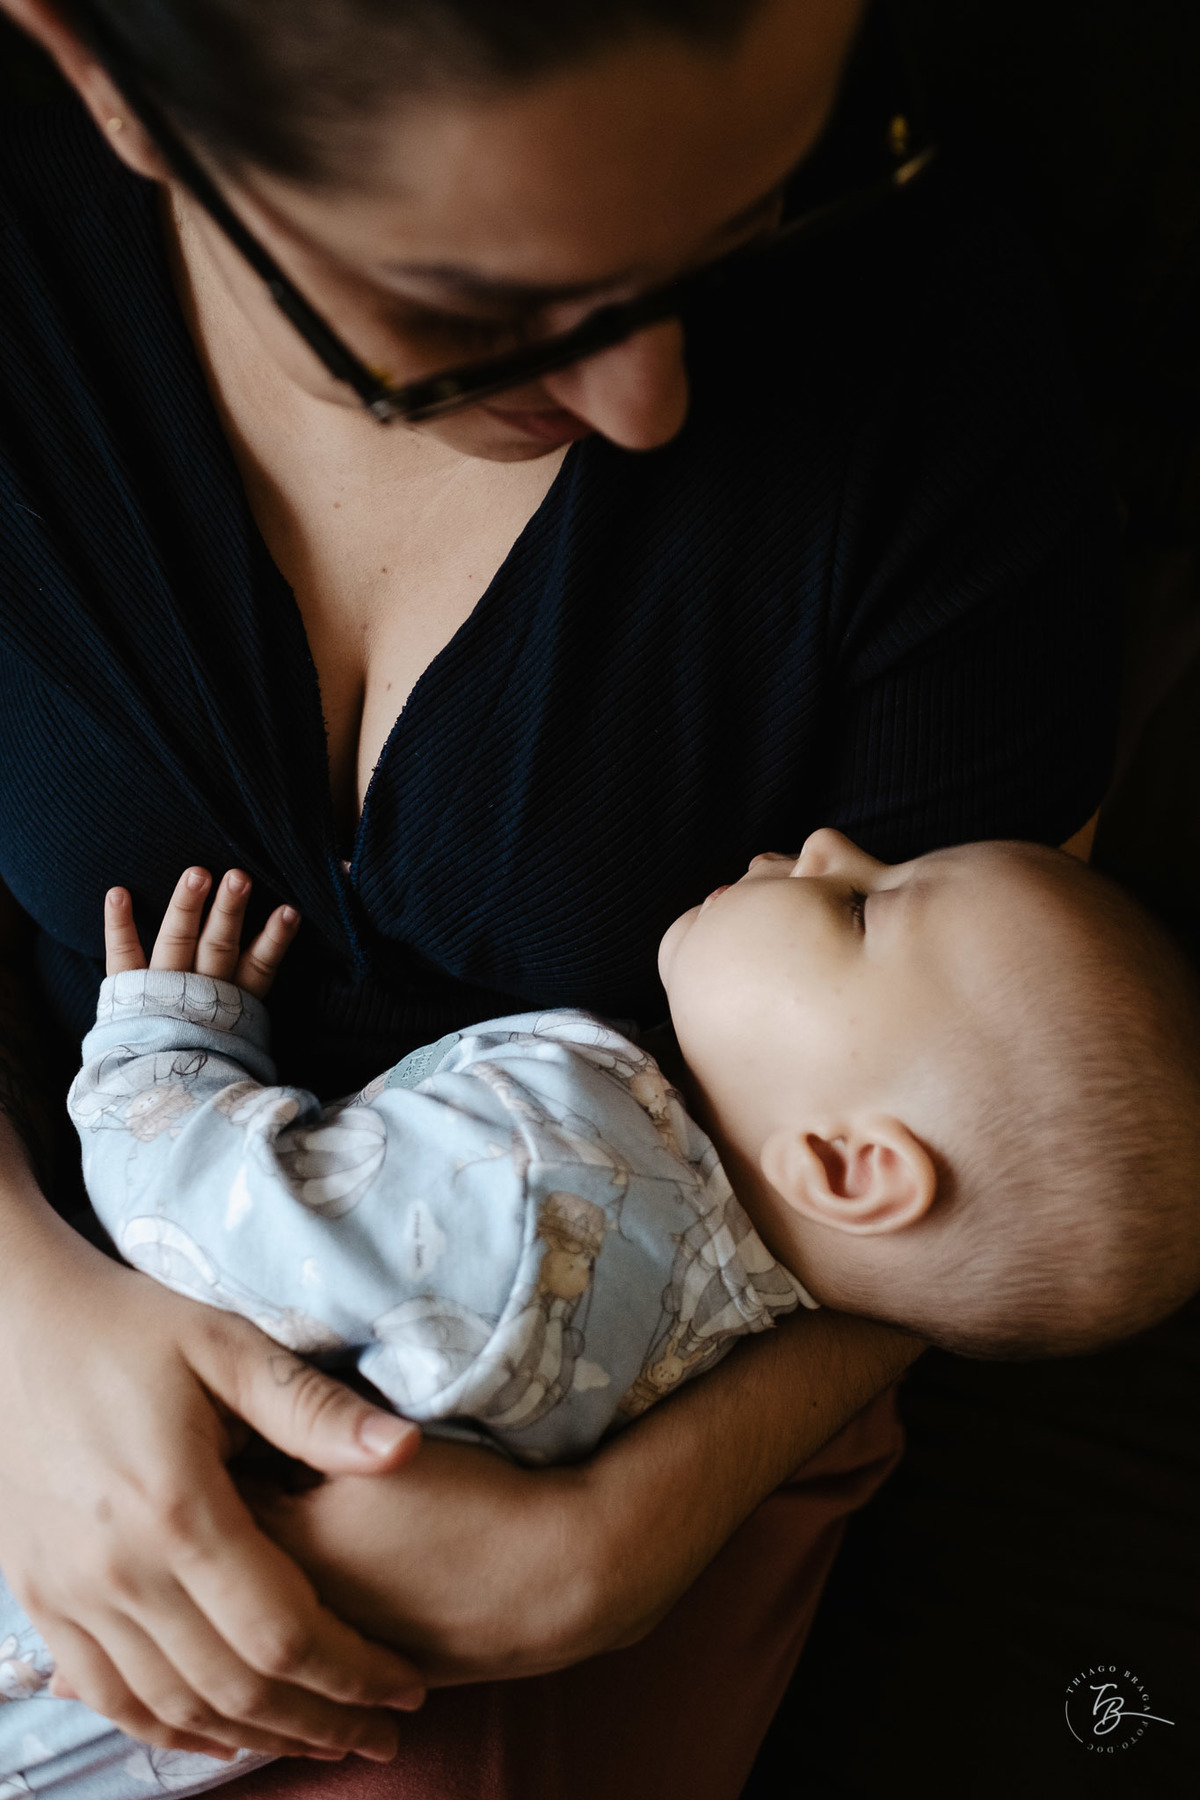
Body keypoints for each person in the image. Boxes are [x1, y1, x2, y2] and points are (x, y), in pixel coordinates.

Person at [0, 1, 1125, 1794]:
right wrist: (31, 1340)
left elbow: (1011, 1168)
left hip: (657, 1438)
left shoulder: (940, 361)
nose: (650, 397)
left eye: (746, 218)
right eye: (468, 314)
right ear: (106, 86)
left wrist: (609, 1539)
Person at [9, 823, 1200, 1797]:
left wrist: (167, 1041)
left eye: (863, 909)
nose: (834, 844)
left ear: (845, 1167)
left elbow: (208, 1227)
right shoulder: (703, 1348)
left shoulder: (548, 1161)